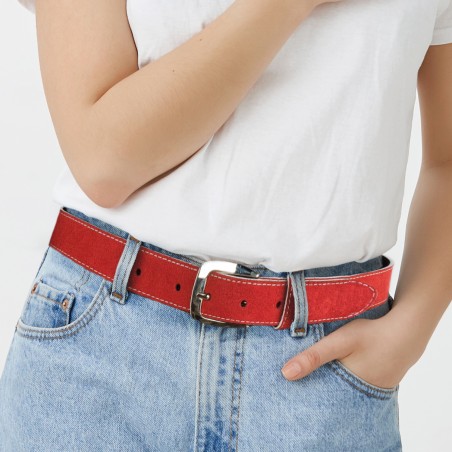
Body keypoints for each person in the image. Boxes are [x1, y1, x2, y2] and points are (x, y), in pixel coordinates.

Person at [0, 0, 451, 450]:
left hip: (321, 377)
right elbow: (102, 163)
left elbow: (446, 161)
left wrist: (412, 327)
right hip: (100, 357)